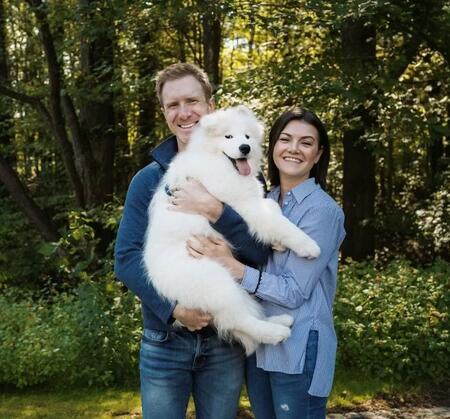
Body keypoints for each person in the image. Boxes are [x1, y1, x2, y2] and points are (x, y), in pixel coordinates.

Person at [114, 63, 269, 419]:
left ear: (210, 106)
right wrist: (173, 312)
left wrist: (217, 211)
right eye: (173, 105)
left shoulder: (241, 171)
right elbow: (125, 259)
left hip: (224, 343)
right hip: (164, 342)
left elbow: (259, 253)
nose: (184, 113)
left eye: (192, 101)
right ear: (165, 112)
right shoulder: (148, 180)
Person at [184, 108, 346, 418]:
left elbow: (294, 292)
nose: (294, 149)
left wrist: (234, 268)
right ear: (272, 147)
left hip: (299, 347)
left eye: (306, 142)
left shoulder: (322, 212)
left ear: (318, 154)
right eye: (285, 139)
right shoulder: (265, 200)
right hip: (261, 346)